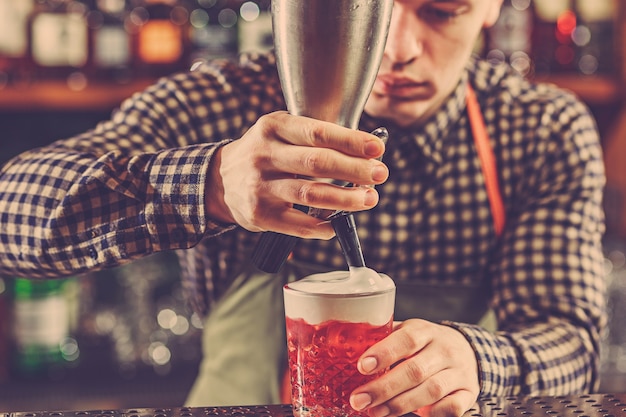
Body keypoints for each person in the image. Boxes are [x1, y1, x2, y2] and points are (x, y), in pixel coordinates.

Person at [0, 0, 607, 416]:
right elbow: (12, 215)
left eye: (443, 11)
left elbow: (572, 345)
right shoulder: (227, 100)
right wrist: (213, 182)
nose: (400, 49)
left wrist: (476, 361)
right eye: (370, 9)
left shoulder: (539, 129)